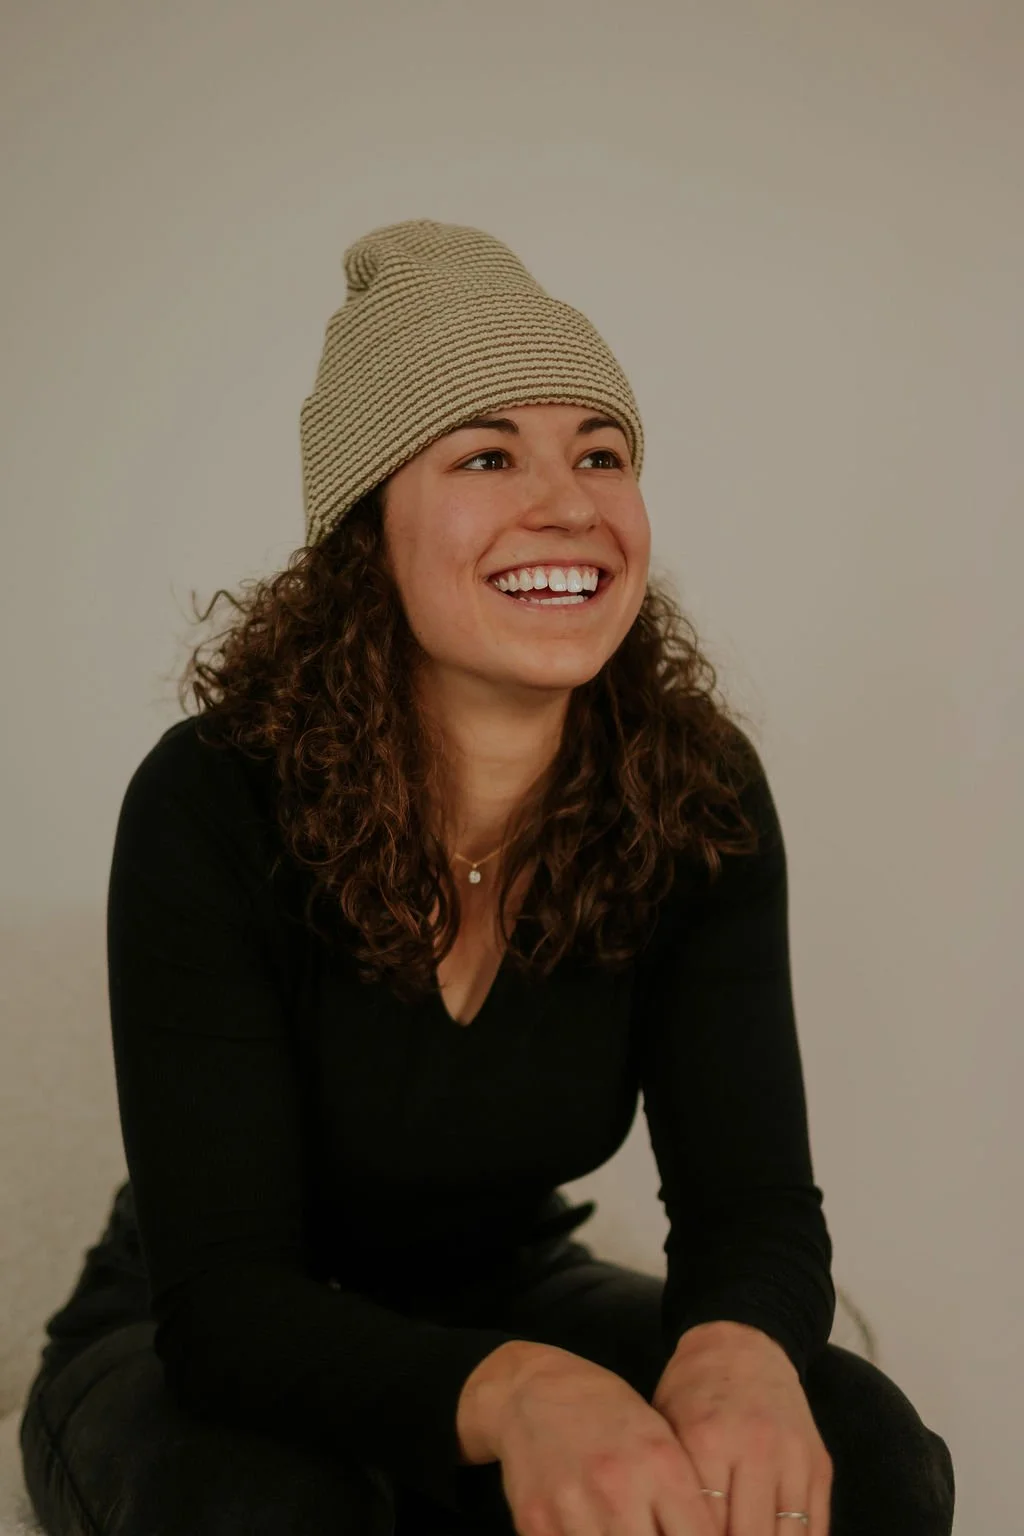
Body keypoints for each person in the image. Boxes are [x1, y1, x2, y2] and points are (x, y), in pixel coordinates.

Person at [18, 219, 954, 1536]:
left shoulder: (697, 792)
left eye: (602, 453)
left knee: (864, 1448)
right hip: (199, 1352)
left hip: (512, 1294)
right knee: (270, 1512)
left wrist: (738, 1352)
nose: (569, 504)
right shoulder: (209, 799)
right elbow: (225, 1306)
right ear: (369, 527)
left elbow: (750, 1204)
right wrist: (517, 1399)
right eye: (486, 452)